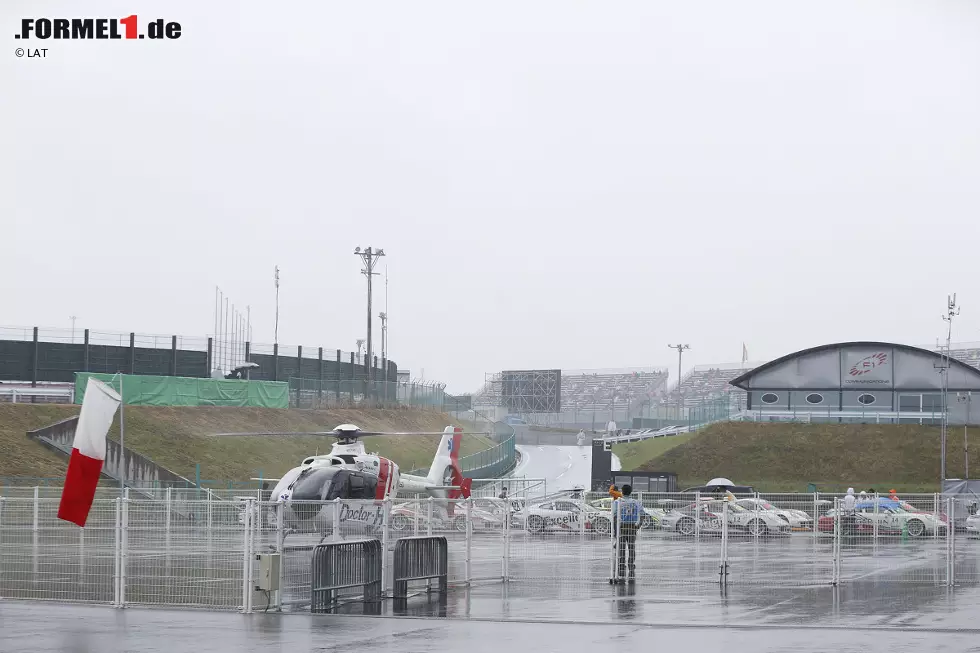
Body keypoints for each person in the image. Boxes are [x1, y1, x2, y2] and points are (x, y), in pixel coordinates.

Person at [612, 484, 642, 583]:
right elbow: (642, 514)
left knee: (621, 547)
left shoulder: (618, 502)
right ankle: (631, 564)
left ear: (622, 491)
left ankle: (621, 564)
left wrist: (616, 531)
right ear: (631, 491)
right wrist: (638, 526)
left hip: (621, 527)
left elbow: (615, 516)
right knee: (631, 546)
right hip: (632, 527)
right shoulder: (635, 502)